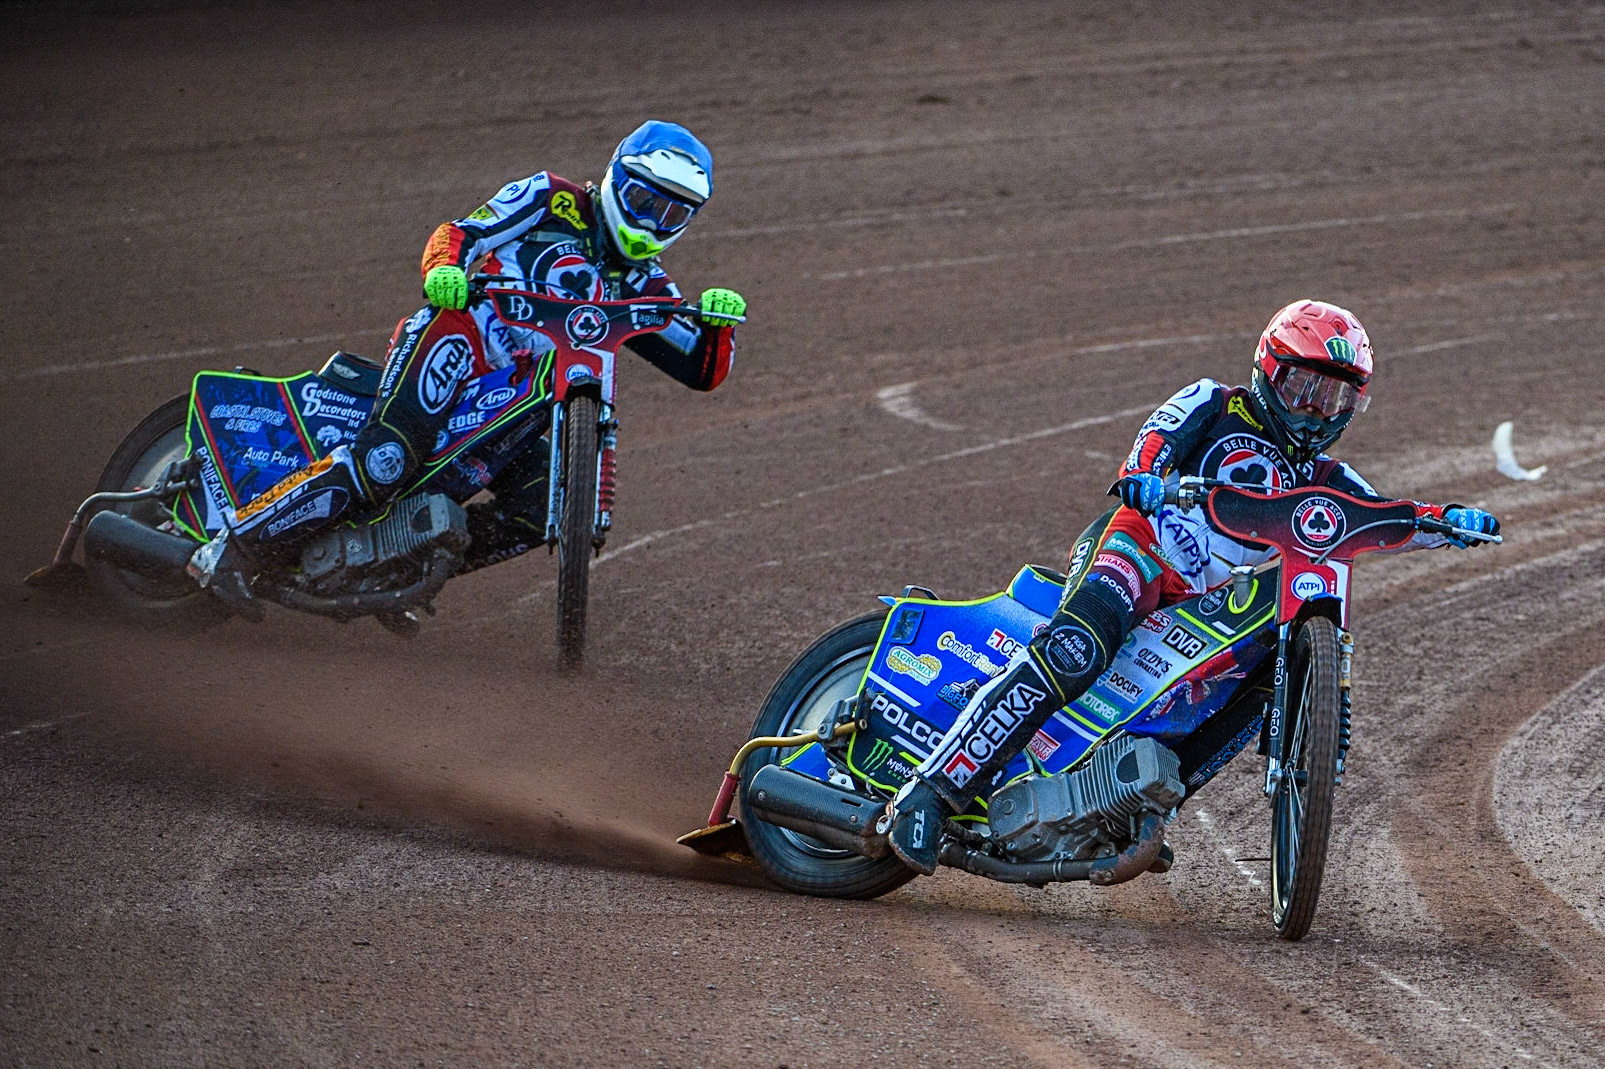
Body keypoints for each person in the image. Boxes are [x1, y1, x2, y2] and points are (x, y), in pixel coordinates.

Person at [883, 299, 1501, 874]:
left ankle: (1140, 804)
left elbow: (1382, 517)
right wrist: (1145, 477)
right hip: (1137, 549)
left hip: (1199, 608)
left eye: (1334, 398)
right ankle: (932, 793)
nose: (1315, 410)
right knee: (1077, 647)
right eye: (1303, 388)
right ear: (1268, 369)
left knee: (1263, 681)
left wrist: (1448, 522)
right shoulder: (1214, 401)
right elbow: (1156, 439)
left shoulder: (1329, 479)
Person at [190, 121, 746, 615]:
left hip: (526, 402)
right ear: (614, 177)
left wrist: (718, 324)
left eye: (673, 212)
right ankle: (231, 552)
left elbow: (702, 368)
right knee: (385, 460)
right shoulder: (553, 199)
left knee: (536, 511)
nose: (652, 221)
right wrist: (444, 270)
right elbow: (461, 231)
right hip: (460, 338)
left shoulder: (649, 285)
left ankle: (397, 566)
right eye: (644, 199)